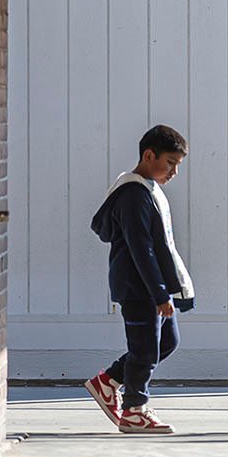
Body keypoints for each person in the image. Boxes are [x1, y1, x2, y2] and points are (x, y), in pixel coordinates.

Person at [84, 125, 194, 435]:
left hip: (151, 285)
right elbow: (140, 249)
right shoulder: (133, 194)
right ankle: (134, 410)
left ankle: (108, 382)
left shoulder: (147, 188)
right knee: (145, 348)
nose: (174, 171)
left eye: (177, 165)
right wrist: (159, 293)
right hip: (138, 287)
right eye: (170, 162)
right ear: (149, 155)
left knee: (166, 341)